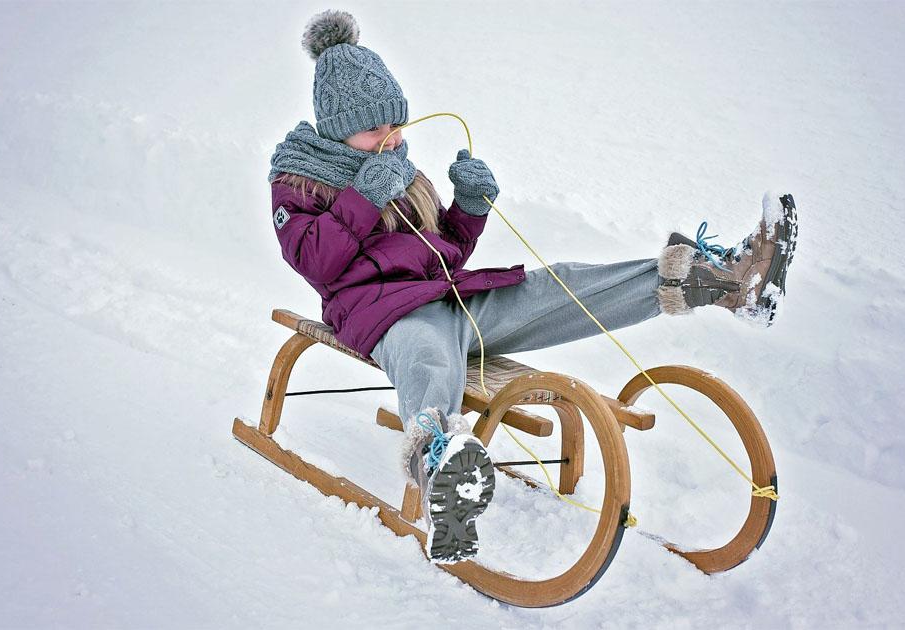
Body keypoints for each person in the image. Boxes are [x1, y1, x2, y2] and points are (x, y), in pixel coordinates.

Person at [267, 10, 797, 564]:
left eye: (397, 125)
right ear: (336, 128)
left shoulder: (395, 165)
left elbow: (441, 247)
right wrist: (364, 197)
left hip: (454, 298)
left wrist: (468, 209)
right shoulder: (299, 178)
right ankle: (444, 477)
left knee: (560, 284)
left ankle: (720, 282)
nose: (393, 139)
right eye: (377, 129)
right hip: (387, 318)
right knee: (428, 363)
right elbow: (315, 262)